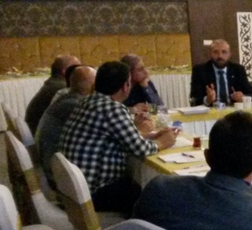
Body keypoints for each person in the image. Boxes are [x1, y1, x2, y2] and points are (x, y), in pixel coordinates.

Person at [60, 61, 177, 217]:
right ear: (125, 86)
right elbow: (140, 149)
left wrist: (152, 135)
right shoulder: (112, 108)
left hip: (75, 190)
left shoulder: (87, 101)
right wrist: (163, 142)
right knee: (154, 193)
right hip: (95, 191)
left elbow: (116, 137)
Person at [35, 65, 96, 188]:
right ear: (91, 85)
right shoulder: (74, 105)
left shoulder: (67, 99)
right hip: (60, 175)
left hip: (55, 164)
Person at [190, 39, 252, 106]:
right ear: (210, 54)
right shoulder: (200, 70)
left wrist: (243, 97)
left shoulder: (238, 69)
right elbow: (194, 99)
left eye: (224, 52)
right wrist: (207, 99)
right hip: (211, 111)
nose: (220, 56)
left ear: (229, 54)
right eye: (215, 52)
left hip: (234, 110)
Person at [25, 54, 80, 132]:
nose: (80, 71)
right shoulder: (62, 89)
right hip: (41, 133)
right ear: (65, 71)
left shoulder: (53, 83)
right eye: (77, 68)